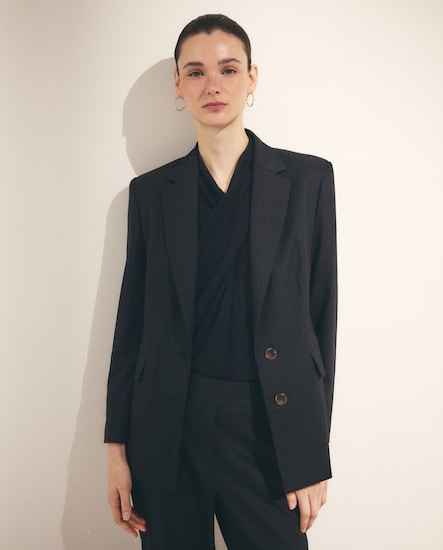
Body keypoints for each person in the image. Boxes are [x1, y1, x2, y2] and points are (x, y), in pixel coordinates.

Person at [105, 13, 337, 550]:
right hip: (167, 430)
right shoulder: (151, 194)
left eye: (229, 69)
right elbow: (131, 327)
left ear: (252, 78)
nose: (213, 85)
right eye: (196, 72)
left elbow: (320, 321)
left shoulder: (308, 181)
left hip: (267, 428)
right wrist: (117, 449)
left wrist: (309, 450)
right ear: (179, 85)